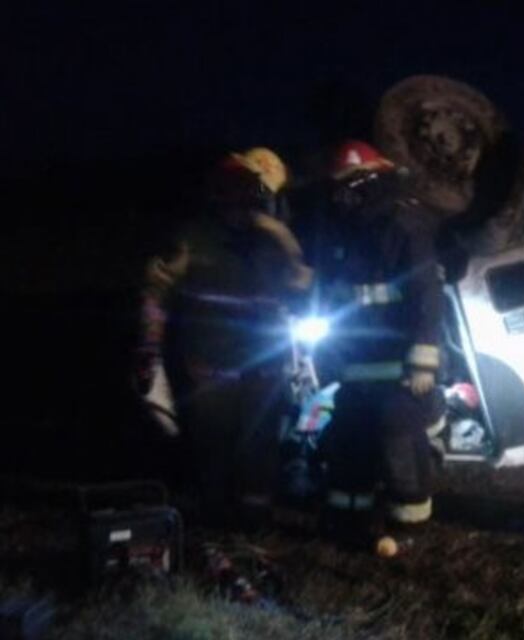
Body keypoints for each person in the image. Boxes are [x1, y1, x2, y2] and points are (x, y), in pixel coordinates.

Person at [135, 147, 313, 526]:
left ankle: (255, 516)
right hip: (210, 361)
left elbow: (302, 288)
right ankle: (213, 515)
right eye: (230, 189)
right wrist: (149, 346)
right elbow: (156, 292)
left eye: (246, 190)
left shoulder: (275, 238)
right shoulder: (193, 238)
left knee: (260, 441)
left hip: (264, 362)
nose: (239, 200)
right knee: (212, 440)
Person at [315, 140, 445, 550]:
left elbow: (426, 295)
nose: (342, 196)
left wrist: (423, 361)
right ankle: (348, 518)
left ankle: (409, 527)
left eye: (348, 185)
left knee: (399, 439)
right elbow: (333, 296)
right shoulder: (346, 229)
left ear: (370, 180)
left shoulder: (405, 223)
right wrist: (327, 357)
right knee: (349, 437)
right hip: (355, 365)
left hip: (398, 364)